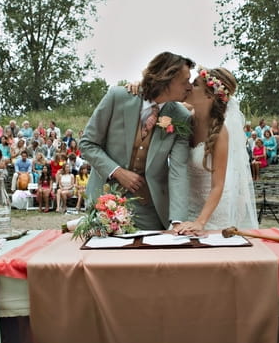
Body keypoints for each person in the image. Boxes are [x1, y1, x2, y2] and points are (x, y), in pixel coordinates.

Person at [80, 51, 193, 230]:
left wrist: (178, 220)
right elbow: (87, 144)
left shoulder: (181, 116)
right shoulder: (117, 97)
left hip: (150, 208)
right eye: (185, 81)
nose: (190, 87)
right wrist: (117, 172)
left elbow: (178, 170)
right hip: (104, 203)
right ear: (166, 79)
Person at [174, 67, 258, 233]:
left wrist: (200, 222)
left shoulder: (220, 132)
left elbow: (217, 186)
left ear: (209, 95)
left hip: (211, 212)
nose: (189, 86)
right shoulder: (183, 119)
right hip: (185, 207)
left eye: (195, 84)